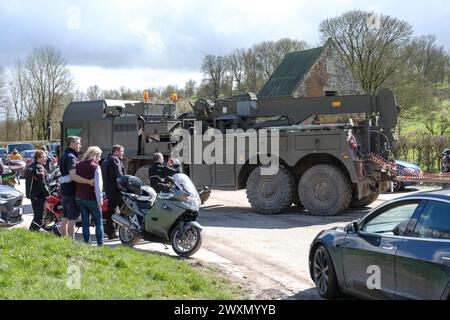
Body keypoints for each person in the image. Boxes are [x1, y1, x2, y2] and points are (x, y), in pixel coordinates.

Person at [59, 136, 94, 239]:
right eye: (78, 143)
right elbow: (74, 176)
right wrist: (89, 182)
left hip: (64, 191)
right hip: (70, 192)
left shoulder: (64, 155)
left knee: (65, 219)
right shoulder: (71, 157)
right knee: (72, 220)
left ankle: (63, 241)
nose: (80, 145)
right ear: (72, 144)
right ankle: (70, 243)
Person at [75, 146, 104, 246]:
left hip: (79, 197)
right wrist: (100, 202)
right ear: (94, 155)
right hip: (91, 198)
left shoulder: (78, 165)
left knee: (85, 222)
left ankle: (87, 243)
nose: (99, 159)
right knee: (98, 222)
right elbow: (98, 186)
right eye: (99, 156)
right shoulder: (96, 167)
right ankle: (100, 244)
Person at [101, 145, 125, 239]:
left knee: (111, 211)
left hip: (109, 190)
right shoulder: (115, 160)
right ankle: (125, 232)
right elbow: (119, 176)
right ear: (117, 151)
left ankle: (111, 233)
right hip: (117, 190)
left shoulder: (105, 161)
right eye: (122, 151)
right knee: (126, 210)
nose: (123, 153)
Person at [25, 150, 50, 231]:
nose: (46, 158)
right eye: (44, 157)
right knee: (39, 217)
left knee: (37, 215)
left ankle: (32, 233)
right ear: (38, 158)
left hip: (33, 195)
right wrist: (48, 194)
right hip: (39, 196)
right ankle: (31, 232)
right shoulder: (39, 168)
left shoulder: (31, 166)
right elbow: (42, 183)